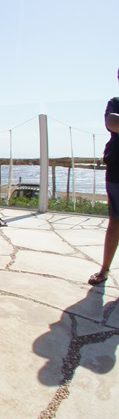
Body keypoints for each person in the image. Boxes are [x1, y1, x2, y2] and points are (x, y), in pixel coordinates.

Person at [89, 75, 119, 285]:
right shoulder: (115, 102)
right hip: (117, 171)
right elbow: (112, 122)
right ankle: (105, 268)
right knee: (115, 220)